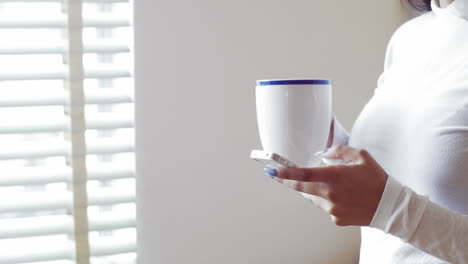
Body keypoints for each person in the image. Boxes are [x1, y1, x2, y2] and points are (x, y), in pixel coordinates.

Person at [263, 0, 468, 263]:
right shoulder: (410, 37)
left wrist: (390, 209)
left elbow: (392, 201)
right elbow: (402, 171)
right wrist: (328, 142)